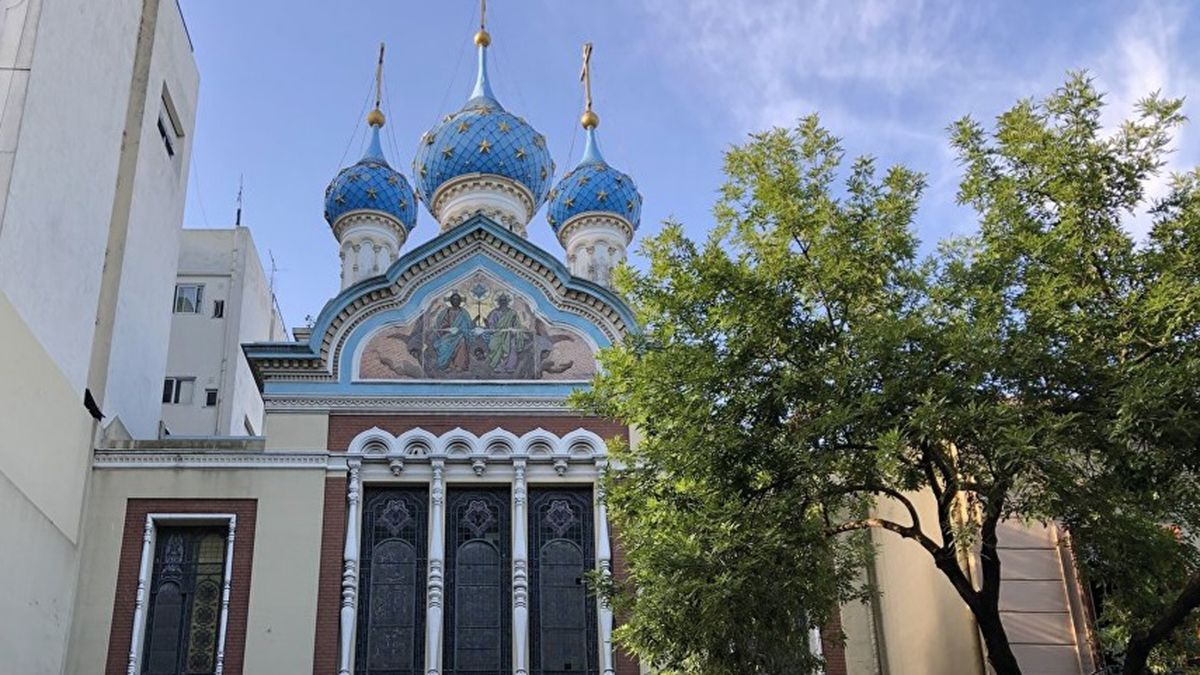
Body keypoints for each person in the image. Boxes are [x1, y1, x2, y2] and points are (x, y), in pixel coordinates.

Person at [483, 293, 529, 373]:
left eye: (505, 301)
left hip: (509, 334)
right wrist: (493, 329)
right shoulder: (494, 313)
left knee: (512, 346)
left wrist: (514, 330)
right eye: (501, 301)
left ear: (507, 302)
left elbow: (517, 324)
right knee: (494, 345)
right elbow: (491, 324)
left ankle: (510, 366)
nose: (503, 303)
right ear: (499, 302)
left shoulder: (512, 313)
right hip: (498, 334)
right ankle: (498, 366)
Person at [431, 291, 474, 371]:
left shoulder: (463, 313)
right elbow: (441, 324)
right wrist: (447, 329)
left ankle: (459, 364)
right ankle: (447, 365)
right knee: (443, 344)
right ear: (450, 301)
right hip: (448, 334)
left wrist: (461, 330)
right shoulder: (446, 312)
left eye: (457, 300)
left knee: (462, 341)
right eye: (454, 299)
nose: (455, 301)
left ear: (460, 301)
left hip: (460, 334)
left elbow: (468, 326)